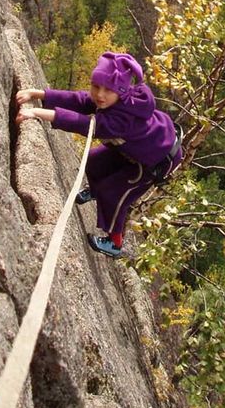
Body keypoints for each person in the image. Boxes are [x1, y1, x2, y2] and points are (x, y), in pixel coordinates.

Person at [16, 52, 182, 258]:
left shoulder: (122, 119)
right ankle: (94, 191)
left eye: (108, 90)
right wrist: (37, 93)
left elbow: (84, 124)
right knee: (94, 161)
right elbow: (79, 100)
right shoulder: (110, 100)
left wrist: (36, 113)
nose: (100, 95)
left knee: (113, 193)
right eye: (96, 87)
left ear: (121, 93)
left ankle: (115, 243)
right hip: (136, 147)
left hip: (155, 161)